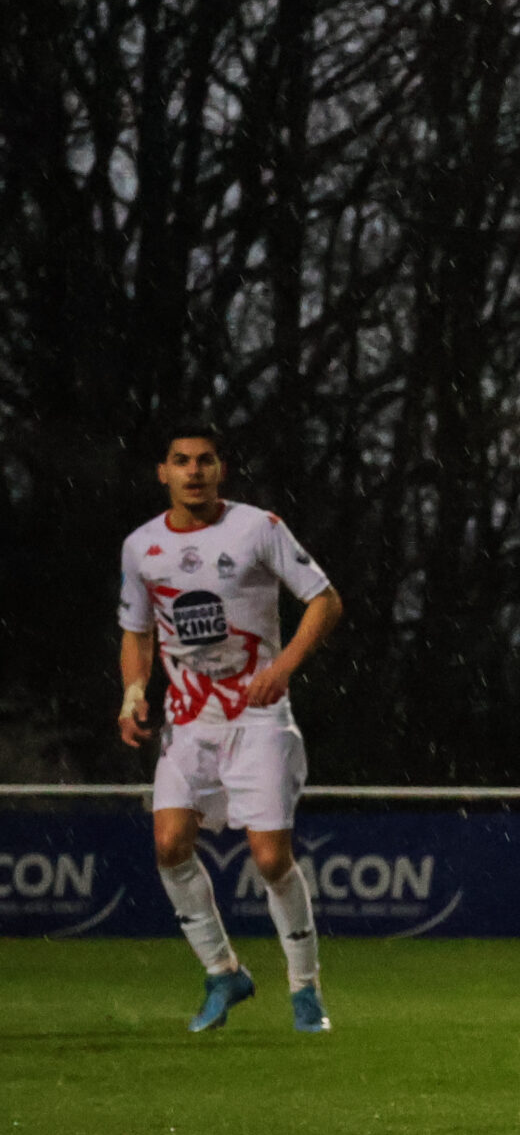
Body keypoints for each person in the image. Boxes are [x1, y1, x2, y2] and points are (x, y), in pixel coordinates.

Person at [116, 425, 345, 1033]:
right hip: (189, 720)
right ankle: (223, 973)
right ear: (163, 472)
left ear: (221, 470)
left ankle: (305, 988)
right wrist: (133, 692)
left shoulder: (258, 528)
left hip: (257, 716)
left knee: (270, 858)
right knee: (169, 845)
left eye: (205, 460)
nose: (194, 471)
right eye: (181, 461)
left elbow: (325, 600)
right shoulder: (140, 547)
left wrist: (283, 667)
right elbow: (136, 632)